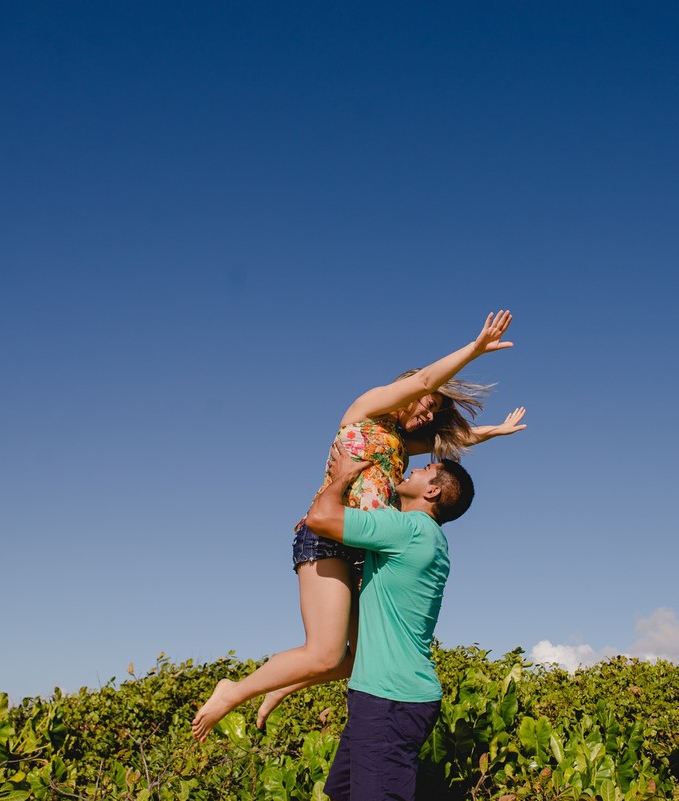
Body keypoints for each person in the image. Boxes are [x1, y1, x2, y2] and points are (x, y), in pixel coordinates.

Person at [191, 310, 523, 742]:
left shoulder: (403, 441)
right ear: (406, 389)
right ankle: (233, 692)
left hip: (361, 544)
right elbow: (424, 382)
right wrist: (475, 350)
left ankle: (278, 686)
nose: (427, 414)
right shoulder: (364, 409)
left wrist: (494, 430)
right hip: (326, 532)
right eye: (427, 406)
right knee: (324, 652)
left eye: (433, 412)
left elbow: (453, 441)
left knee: (351, 660)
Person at [306, 439, 471, 801]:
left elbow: (319, 519)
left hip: (389, 699)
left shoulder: (407, 530)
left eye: (424, 470)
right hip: (386, 696)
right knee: (342, 793)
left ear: (432, 491)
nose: (413, 469)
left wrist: (342, 476)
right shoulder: (431, 539)